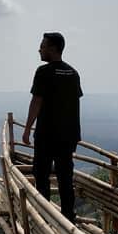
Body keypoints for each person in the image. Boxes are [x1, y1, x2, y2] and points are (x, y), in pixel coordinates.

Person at [22, 32, 83, 222]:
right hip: (69, 134)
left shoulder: (44, 72)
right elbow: (74, 103)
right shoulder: (73, 73)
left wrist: (26, 129)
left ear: (53, 48)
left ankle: (44, 214)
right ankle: (68, 216)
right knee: (65, 175)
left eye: (43, 45)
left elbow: (36, 102)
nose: (39, 49)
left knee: (41, 174)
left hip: (47, 133)